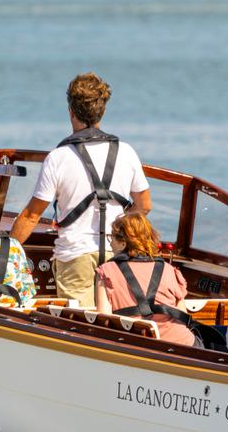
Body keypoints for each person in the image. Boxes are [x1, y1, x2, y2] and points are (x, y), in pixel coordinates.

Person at [11, 73, 151, 307]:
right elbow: (144, 205)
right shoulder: (126, 152)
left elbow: (31, 215)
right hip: (118, 255)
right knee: (117, 325)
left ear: (71, 112)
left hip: (75, 256)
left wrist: (4, 253)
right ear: (102, 112)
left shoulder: (58, 157)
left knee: (83, 330)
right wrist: (119, 229)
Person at [95, 214, 198, 347]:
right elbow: (182, 315)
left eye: (112, 237)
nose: (110, 242)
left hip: (135, 345)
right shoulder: (169, 269)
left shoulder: (106, 271)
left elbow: (103, 321)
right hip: (180, 343)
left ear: (123, 243)